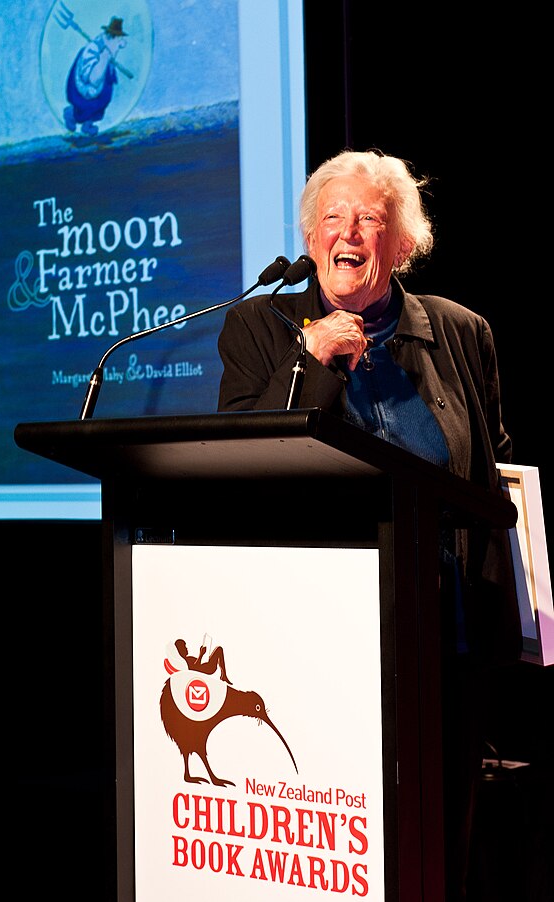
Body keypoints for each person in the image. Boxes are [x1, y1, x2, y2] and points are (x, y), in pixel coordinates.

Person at [216, 149, 522, 901]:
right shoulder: (260, 328)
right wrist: (310, 364)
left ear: (401, 244)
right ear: (311, 237)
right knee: (335, 840)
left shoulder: (461, 332)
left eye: (369, 219)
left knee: (439, 836)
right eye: (332, 218)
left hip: (443, 633)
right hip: (315, 638)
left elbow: (497, 472)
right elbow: (243, 462)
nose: (347, 231)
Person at [63, 16, 128, 137]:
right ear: (111, 38)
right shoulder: (92, 50)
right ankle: (70, 114)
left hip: (98, 91)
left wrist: (110, 54)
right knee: (84, 107)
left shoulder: (107, 47)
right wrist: (104, 59)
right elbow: (92, 79)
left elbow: (121, 44)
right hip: (83, 90)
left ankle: (88, 124)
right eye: (118, 42)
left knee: (101, 103)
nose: (119, 46)